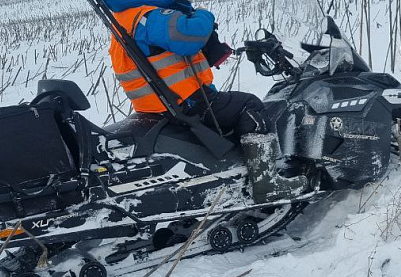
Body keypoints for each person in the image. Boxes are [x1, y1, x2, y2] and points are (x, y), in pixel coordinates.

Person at [103, 0, 305, 203]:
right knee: (249, 105)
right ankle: (267, 183)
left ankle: (240, 167)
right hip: (188, 104)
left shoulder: (123, 19)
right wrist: (201, 14)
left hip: (160, 108)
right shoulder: (148, 18)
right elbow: (190, 34)